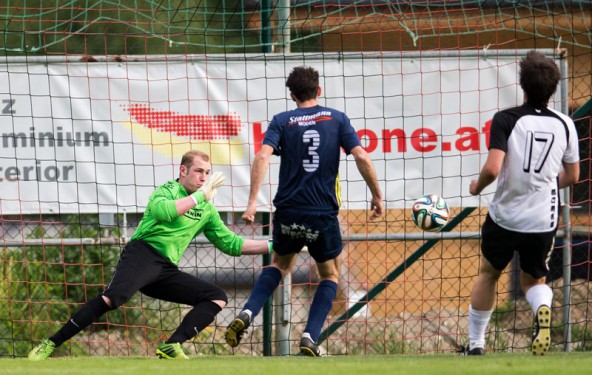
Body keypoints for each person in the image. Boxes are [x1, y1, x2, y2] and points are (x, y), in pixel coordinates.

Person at [28, 150, 273, 360]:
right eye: (199, 171)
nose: (204, 178)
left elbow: (231, 244)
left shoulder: (207, 208)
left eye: (208, 173)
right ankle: (50, 344)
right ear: (183, 171)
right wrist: (199, 197)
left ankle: (172, 345)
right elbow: (164, 212)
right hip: (142, 255)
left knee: (216, 297)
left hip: (166, 270)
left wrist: (276, 245)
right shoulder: (168, 190)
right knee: (113, 299)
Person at [224, 66, 383, 356]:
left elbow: (262, 155)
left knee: (278, 266)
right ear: (319, 91)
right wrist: (376, 195)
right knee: (330, 275)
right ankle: (310, 336)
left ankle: (247, 312)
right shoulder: (337, 118)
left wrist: (251, 203)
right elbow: (360, 154)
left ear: (293, 95)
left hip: (288, 211)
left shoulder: (282, 121)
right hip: (321, 213)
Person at [463, 50, 580, 356]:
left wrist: (477, 188)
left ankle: (476, 345)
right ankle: (542, 310)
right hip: (543, 218)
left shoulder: (506, 119)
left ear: (523, 86)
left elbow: (492, 168)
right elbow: (573, 175)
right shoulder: (566, 124)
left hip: (504, 216)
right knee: (535, 278)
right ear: (553, 88)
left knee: (489, 272)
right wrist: (543, 184)